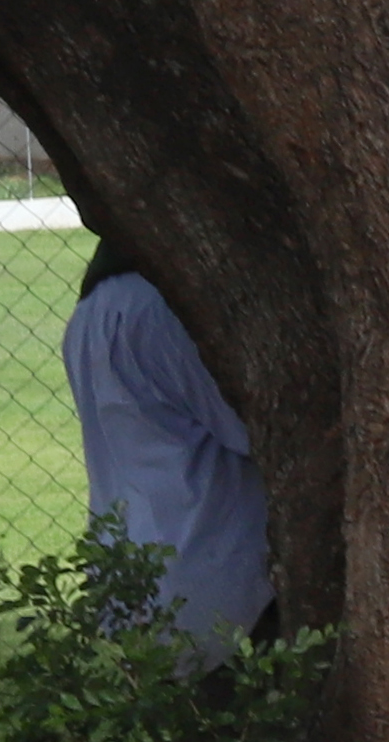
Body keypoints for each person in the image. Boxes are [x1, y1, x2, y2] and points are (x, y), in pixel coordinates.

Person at [63, 245, 271, 650]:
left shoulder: (88, 314)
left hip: (131, 567)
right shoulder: (160, 309)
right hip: (210, 569)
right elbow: (259, 430)